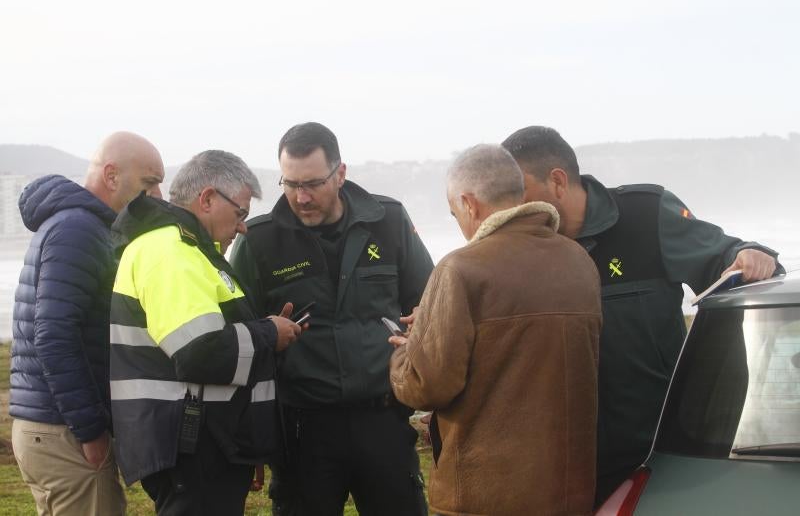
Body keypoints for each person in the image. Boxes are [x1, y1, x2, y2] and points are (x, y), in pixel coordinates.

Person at [501, 125, 784, 505]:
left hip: (656, 455)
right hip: (567, 461)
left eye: (518, 193)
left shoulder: (645, 216)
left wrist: (752, 254)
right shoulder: (519, 248)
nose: (511, 208)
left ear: (556, 181)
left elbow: (726, 259)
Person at [230, 122, 434, 516]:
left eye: (312, 184)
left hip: (384, 419)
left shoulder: (388, 221)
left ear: (340, 174)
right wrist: (251, 432)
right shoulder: (259, 240)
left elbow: (431, 306)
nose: (301, 197)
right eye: (289, 184)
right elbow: (243, 338)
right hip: (303, 429)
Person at [388, 144, 602, 515]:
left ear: (469, 204)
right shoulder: (579, 261)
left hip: (483, 498)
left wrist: (407, 349)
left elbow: (428, 385)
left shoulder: (460, 269)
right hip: (570, 492)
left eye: (455, 213)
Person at [109, 150, 301, 515]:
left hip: (208, 444)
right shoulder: (171, 251)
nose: (243, 226)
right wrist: (268, 333)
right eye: (241, 212)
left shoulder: (194, 251)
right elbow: (200, 352)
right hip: (191, 448)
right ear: (208, 198)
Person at [9, 131, 164, 516]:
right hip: (63, 432)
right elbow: (54, 335)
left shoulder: (82, 226)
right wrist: (89, 429)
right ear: (112, 176)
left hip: (51, 425)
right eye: (149, 183)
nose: (158, 196)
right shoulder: (78, 230)